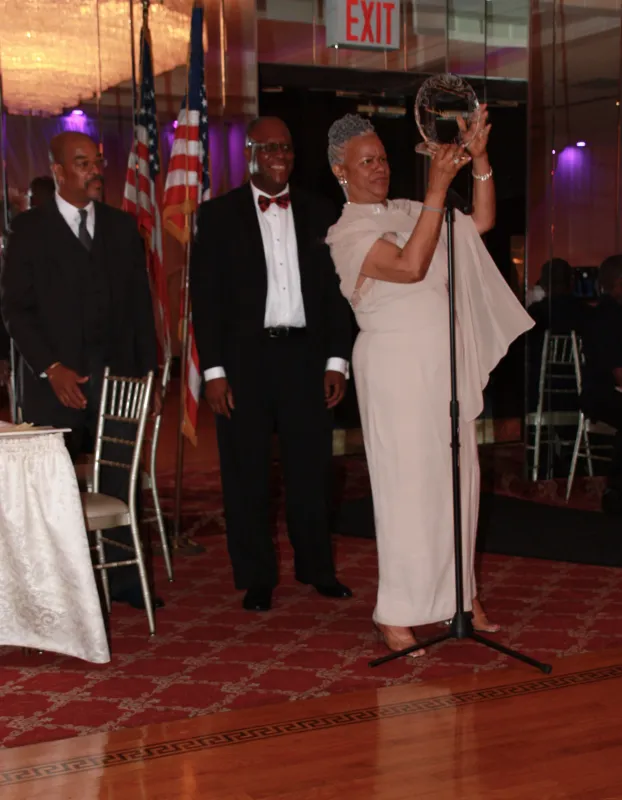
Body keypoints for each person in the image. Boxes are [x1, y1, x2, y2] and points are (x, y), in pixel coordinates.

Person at [325, 112, 534, 656]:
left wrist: (480, 159)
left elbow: (482, 222)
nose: (380, 169)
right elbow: (412, 264)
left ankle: (459, 597)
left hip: (441, 362)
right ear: (339, 170)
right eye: (366, 162)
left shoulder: (408, 209)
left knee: (458, 481)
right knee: (408, 489)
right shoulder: (347, 232)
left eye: (384, 159)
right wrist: (439, 187)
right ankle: (395, 610)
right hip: (394, 368)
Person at [190, 117, 353, 612]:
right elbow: (206, 300)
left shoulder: (323, 212)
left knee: (312, 473)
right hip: (244, 364)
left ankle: (317, 569)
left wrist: (336, 361)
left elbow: (335, 297)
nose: (281, 155)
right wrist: (213, 373)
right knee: (247, 475)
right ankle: (256, 577)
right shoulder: (217, 216)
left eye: (287, 147)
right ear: (250, 153)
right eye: (271, 148)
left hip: (306, 359)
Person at [1, 131, 161, 609]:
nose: (95, 171)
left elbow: (139, 310)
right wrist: (52, 368)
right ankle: (61, 587)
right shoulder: (29, 230)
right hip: (54, 386)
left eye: (97, 162)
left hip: (116, 383)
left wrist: (144, 380)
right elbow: (15, 310)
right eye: (83, 163)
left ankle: (125, 582)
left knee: (117, 481)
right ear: (58, 172)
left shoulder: (120, 227)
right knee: (53, 487)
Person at [580, 255, 622, 512]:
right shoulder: (611, 317)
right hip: (603, 393)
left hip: (603, 391)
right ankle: (615, 490)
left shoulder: (603, 314)